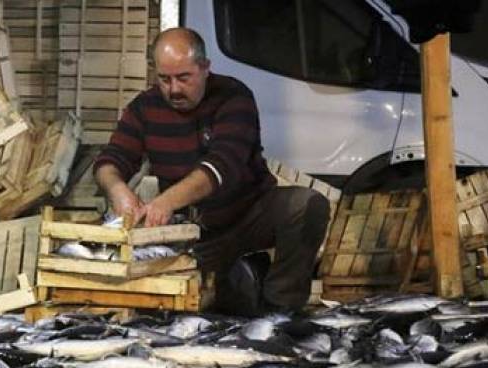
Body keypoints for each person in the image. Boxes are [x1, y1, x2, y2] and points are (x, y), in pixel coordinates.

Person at [94, 28, 331, 315]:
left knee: (306, 205)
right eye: (164, 79)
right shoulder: (143, 108)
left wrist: (166, 202)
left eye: (184, 78)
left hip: (249, 215)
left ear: (205, 68)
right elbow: (111, 159)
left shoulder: (234, 97)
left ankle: (280, 310)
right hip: (192, 230)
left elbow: (221, 167)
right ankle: (233, 280)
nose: (174, 89)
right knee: (215, 306)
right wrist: (117, 189)